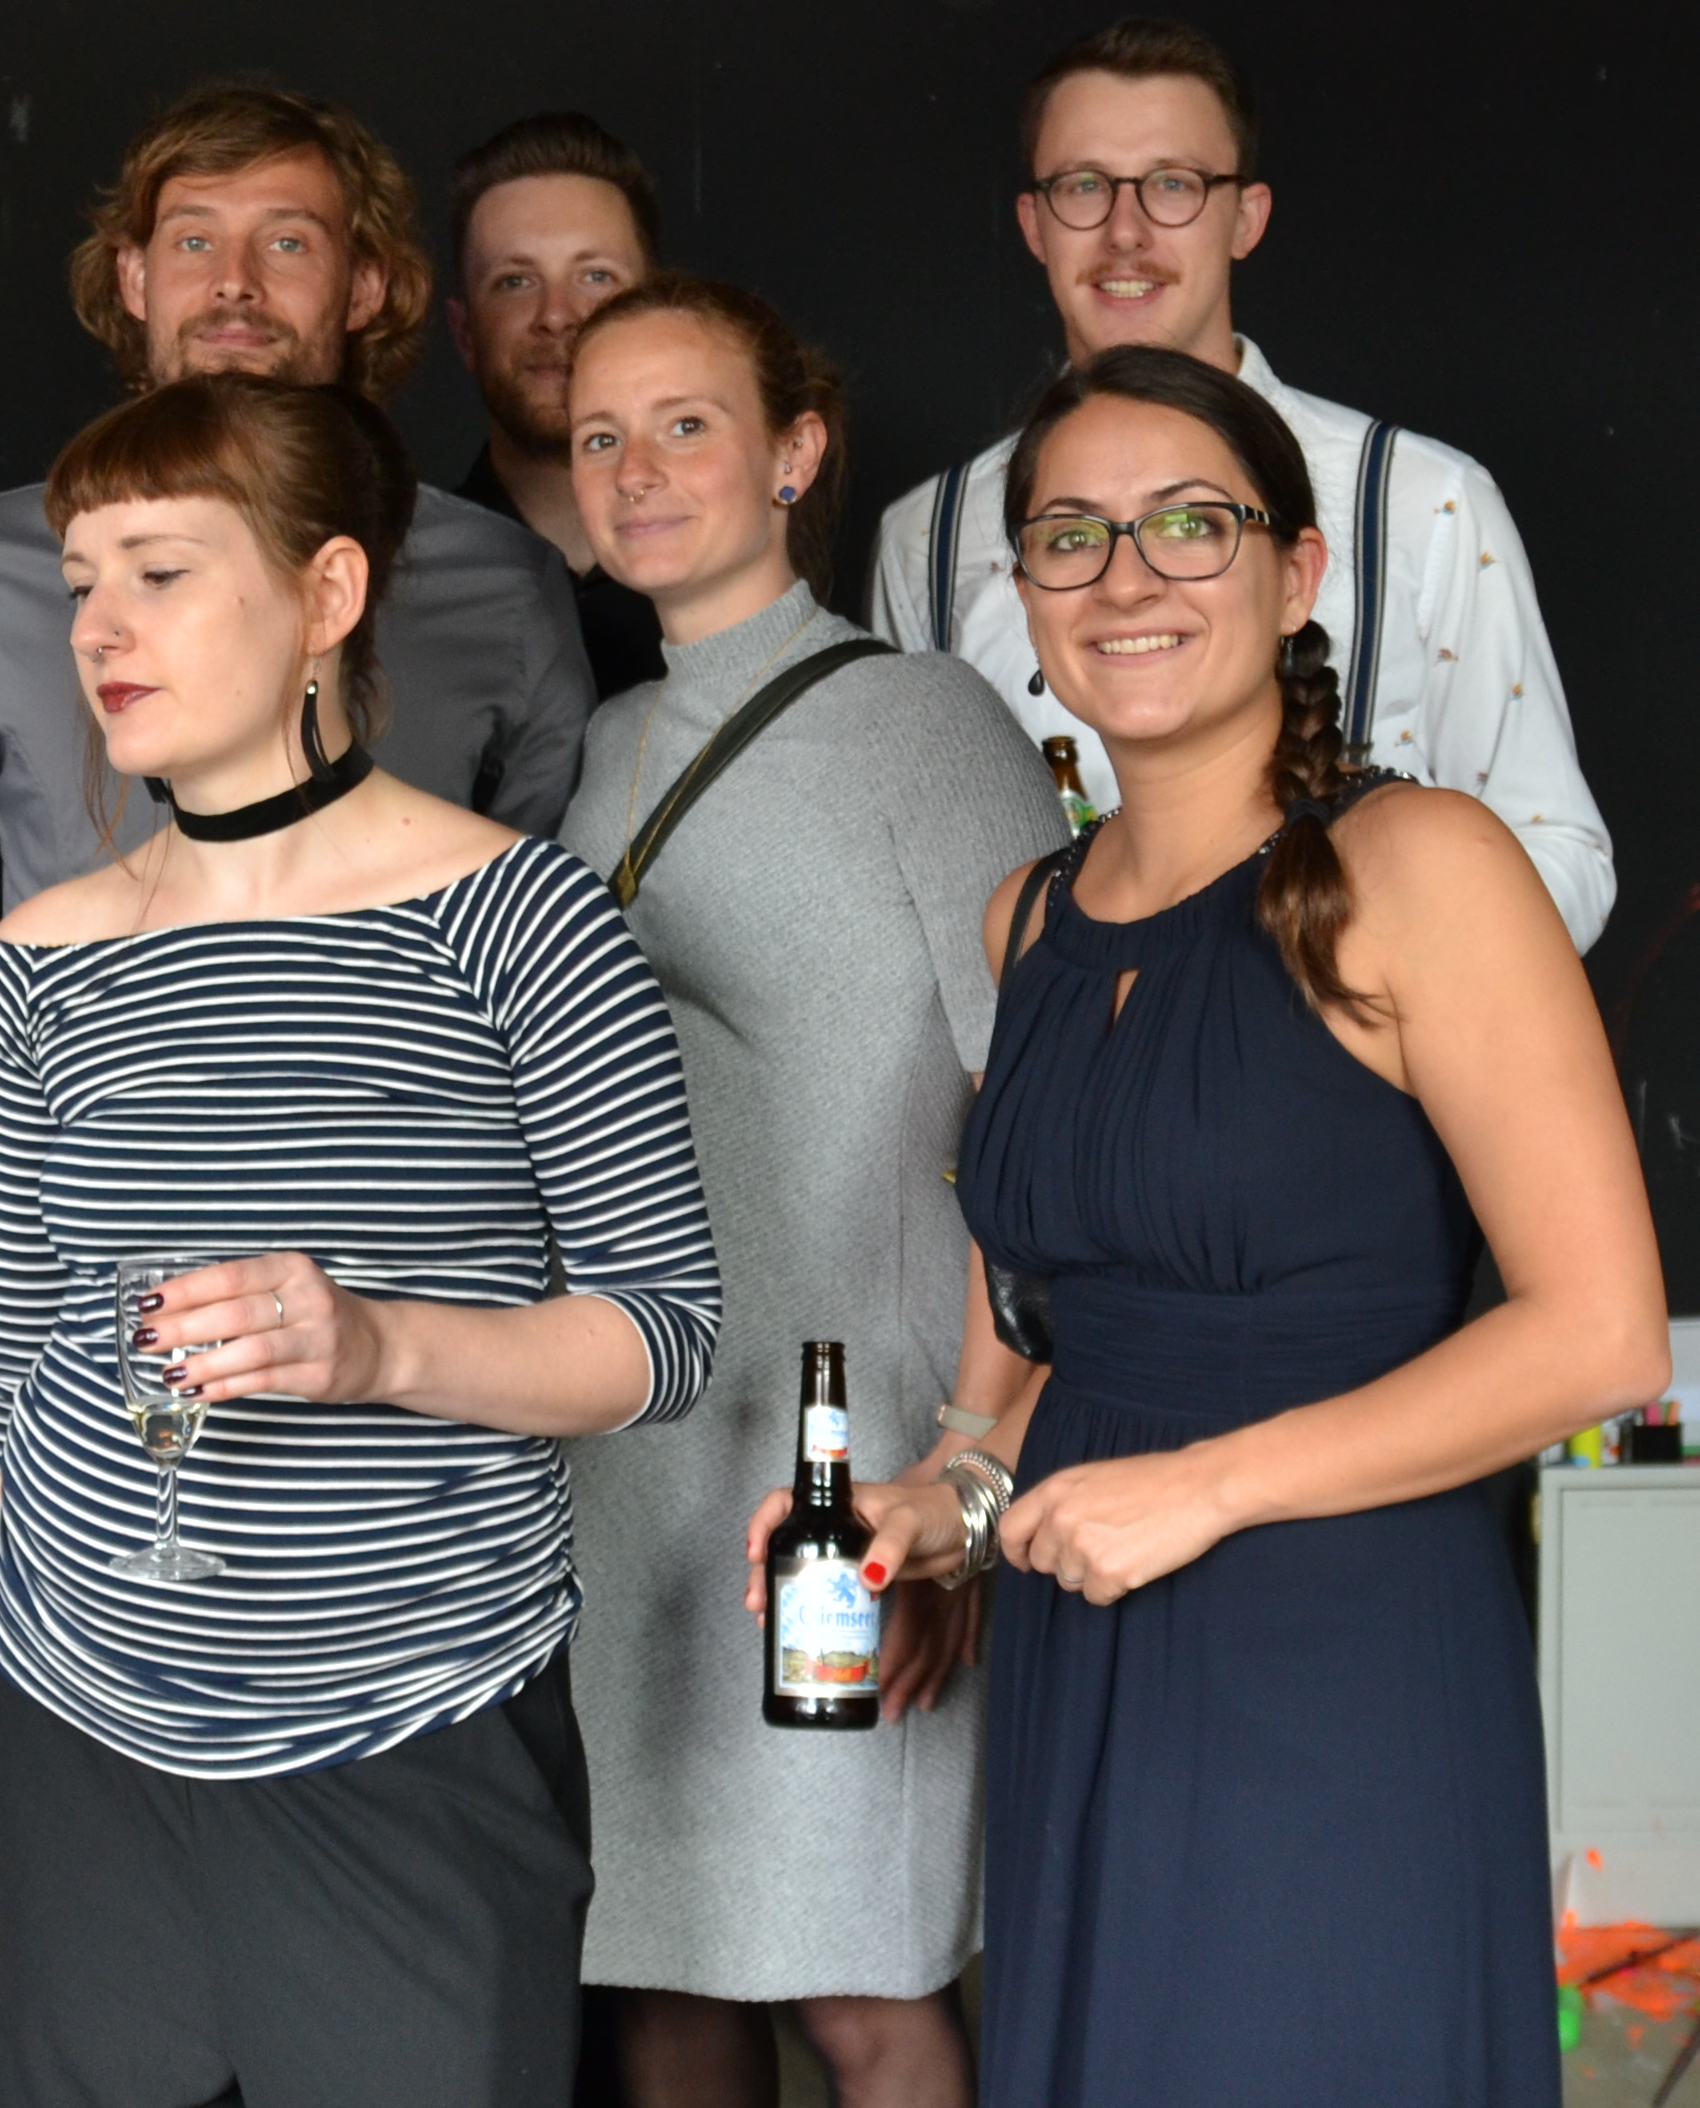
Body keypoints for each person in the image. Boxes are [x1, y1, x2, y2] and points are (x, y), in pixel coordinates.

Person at [779, 344, 1669, 2108]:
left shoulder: (1420, 868)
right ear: (1022, 595)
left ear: (1295, 572)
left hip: (1337, 1635)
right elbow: (1066, 1318)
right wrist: (947, 1503)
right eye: (1070, 536)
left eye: (1189, 525)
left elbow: (1599, 1334)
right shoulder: (1026, 920)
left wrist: (1206, 1486)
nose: (1126, 577)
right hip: (1086, 1637)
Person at [0, 372, 723, 2108]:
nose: (98, 627)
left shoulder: (519, 919)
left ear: (327, 592)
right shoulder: (43, 954)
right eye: (80, 579)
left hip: (410, 1739)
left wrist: (375, 1342)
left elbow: (664, 1331)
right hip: (60, 1728)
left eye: (159, 572)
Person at [0, 85, 595, 1456]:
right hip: (74, 1332)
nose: (236, 284)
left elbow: (549, 998)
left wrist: (484, 1346)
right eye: (194, 240)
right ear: (134, 279)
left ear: (365, 284)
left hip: (401, 1363)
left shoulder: (501, 588)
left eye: (290, 242)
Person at [554, 277, 1062, 2108]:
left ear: (795, 452)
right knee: (659, 1981)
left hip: (844, 1464)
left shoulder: (925, 724)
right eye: (598, 436)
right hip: (627, 1477)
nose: (635, 469)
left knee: (864, 1985)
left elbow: (1045, 1130)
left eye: (684, 424)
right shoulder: (595, 746)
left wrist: (967, 1485)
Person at [866, 19, 1613, 948]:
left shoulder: (1422, 500)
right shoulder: (929, 536)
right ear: (1033, 225)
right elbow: (905, 874)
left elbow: (1557, 850)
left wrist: (1338, 982)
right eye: (1084, 186)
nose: (1126, 232)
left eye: (1174, 185)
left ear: (1247, 218)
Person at [448, 112, 667, 704]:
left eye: (595, 276)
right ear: (465, 334)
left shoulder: (734, 578)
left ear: (659, 313)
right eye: (515, 281)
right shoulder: (397, 585)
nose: (556, 315)